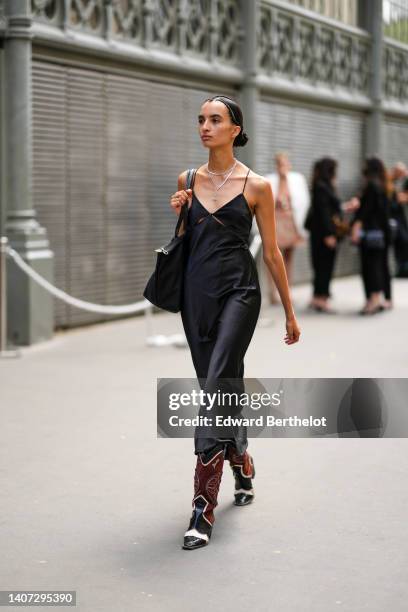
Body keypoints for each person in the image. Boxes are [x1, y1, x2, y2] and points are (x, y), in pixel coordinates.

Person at [169, 95, 301, 550]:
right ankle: (241, 458)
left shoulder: (257, 185)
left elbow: (270, 252)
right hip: (196, 296)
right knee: (220, 383)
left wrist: (288, 309)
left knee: (214, 388)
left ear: (235, 129)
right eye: (201, 120)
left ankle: (202, 507)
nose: (205, 126)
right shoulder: (188, 180)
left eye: (215, 120)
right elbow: (184, 247)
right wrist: (181, 217)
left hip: (241, 295)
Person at [305, 157, 357, 313]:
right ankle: (322, 299)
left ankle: (317, 297)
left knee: (320, 265)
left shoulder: (321, 186)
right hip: (324, 234)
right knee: (325, 266)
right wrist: (329, 234)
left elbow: (332, 207)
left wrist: (346, 206)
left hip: (319, 234)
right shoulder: (323, 187)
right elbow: (324, 213)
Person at [264, 152, 310, 303]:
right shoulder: (269, 180)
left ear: (289, 164)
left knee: (289, 258)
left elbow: (303, 201)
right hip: (276, 223)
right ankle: (272, 292)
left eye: (284, 163)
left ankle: (287, 292)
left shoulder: (296, 180)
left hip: (291, 222)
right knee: (273, 257)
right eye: (279, 164)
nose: (282, 167)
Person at [351, 158, 392, 314]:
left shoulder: (372, 186)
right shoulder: (383, 185)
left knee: (370, 266)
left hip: (370, 233)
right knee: (377, 265)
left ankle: (373, 300)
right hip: (380, 233)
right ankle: (376, 299)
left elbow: (365, 211)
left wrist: (356, 226)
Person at [389, 162, 408, 278]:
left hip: (399, 218)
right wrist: (398, 199)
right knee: (401, 242)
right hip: (393, 218)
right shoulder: (389, 183)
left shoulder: (397, 183)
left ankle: (403, 268)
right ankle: (401, 268)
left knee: (404, 242)